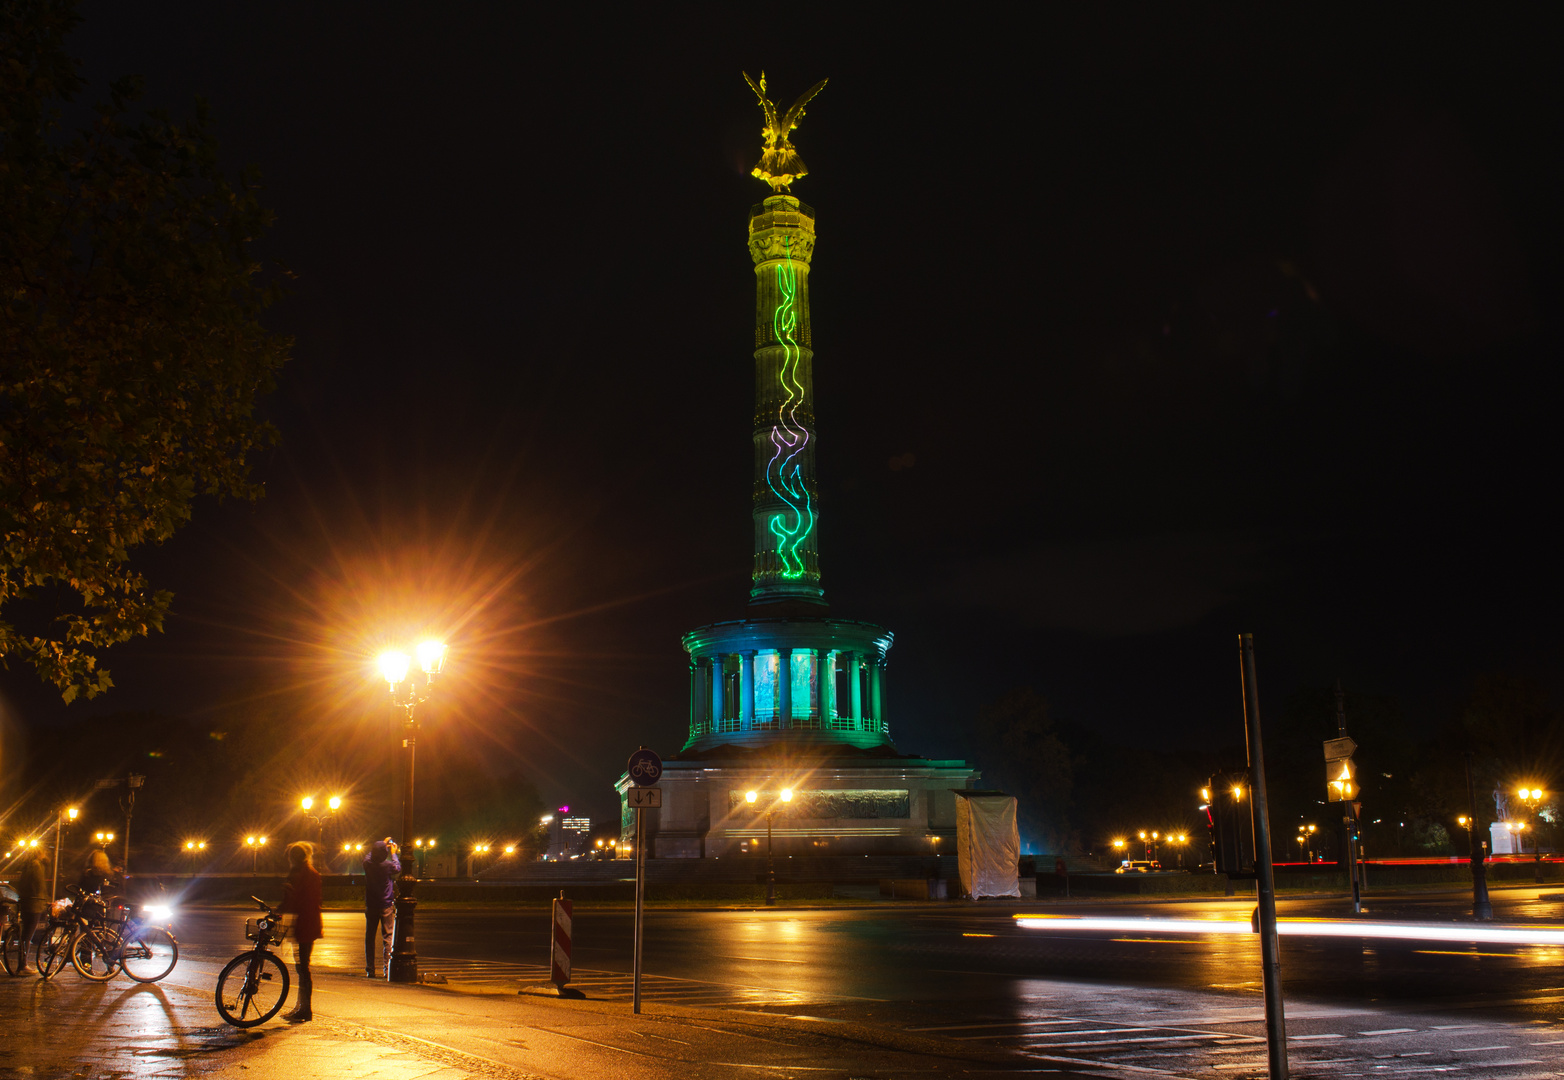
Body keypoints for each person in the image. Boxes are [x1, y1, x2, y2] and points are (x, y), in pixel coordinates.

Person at [279, 841, 322, 1022]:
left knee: (303, 967)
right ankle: (301, 1007)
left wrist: (284, 903)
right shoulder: (308, 872)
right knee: (302, 967)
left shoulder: (305, 874)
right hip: (308, 924)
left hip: (306, 924)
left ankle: (305, 1009)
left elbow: (300, 900)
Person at [362, 838, 400, 978]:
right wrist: (393, 853)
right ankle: (387, 968)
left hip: (371, 904)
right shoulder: (388, 865)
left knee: (370, 938)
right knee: (388, 937)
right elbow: (398, 867)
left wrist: (381, 844)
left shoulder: (368, 864)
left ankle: (370, 969)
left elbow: (368, 855)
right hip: (386, 904)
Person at [17, 848, 51, 963]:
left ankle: (22, 961)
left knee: (25, 932)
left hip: (25, 901)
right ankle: (23, 963)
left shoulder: (26, 866)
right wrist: (45, 899)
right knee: (28, 935)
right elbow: (39, 885)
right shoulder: (37, 865)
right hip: (35, 903)